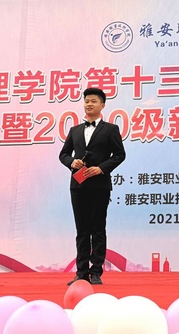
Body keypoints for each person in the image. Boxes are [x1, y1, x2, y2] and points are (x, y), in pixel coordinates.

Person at [59, 87, 126, 285]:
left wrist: (101, 168)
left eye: (94, 101)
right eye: (87, 101)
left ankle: (96, 272)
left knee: (98, 229)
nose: (89, 104)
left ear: (102, 105)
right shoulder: (75, 130)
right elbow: (63, 154)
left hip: (100, 186)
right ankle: (81, 272)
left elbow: (120, 155)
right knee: (82, 230)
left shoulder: (111, 129)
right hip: (78, 186)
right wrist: (72, 162)